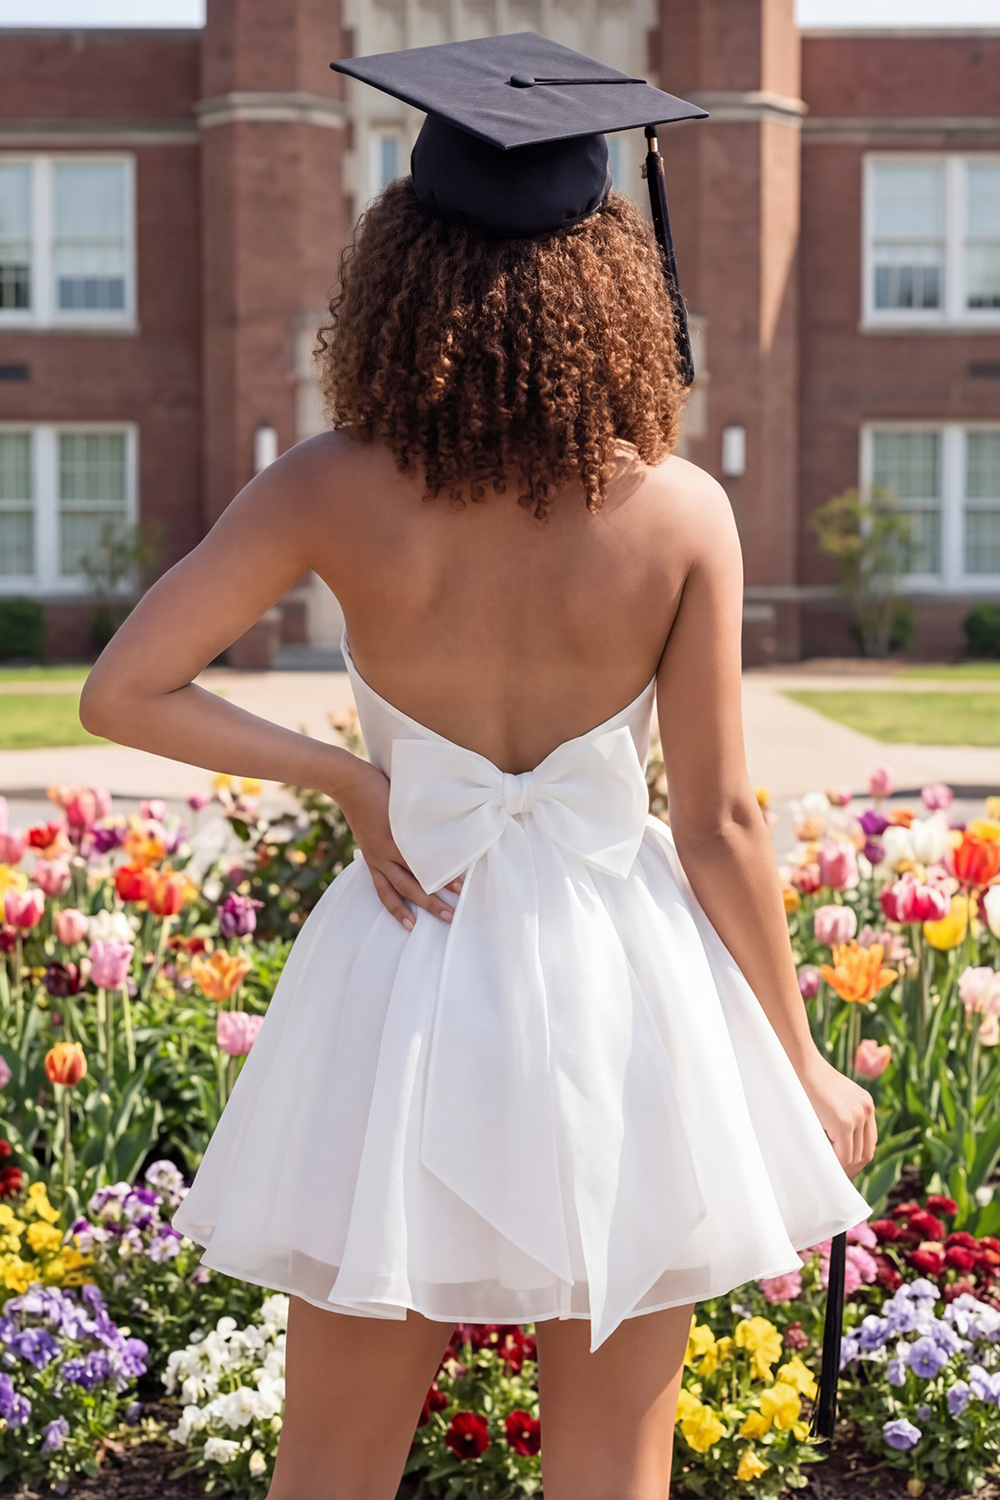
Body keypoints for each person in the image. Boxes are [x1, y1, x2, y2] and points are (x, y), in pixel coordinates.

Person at [79, 32, 876, 1500]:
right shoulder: (686, 514)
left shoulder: (326, 482)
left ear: (401, 266)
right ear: (618, 282)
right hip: (623, 995)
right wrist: (802, 1053)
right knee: (615, 1467)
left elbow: (124, 691)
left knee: (327, 1462)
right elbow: (716, 823)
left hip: (402, 976)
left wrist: (353, 784)